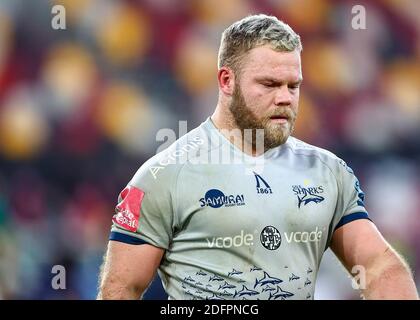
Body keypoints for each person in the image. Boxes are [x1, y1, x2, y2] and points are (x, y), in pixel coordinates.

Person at [97, 14, 418, 300]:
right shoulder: (164, 176)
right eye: (269, 84)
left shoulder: (328, 173)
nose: (284, 98)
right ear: (227, 81)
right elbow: (122, 288)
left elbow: (379, 266)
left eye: (293, 86)